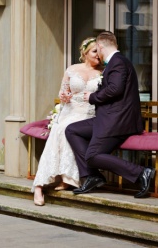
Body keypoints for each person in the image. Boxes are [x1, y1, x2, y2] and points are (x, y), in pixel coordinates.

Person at [65, 31, 155, 198]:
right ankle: (93, 176)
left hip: (117, 121)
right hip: (108, 118)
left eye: (96, 49)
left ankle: (141, 172)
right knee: (72, 130)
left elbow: (115, 89)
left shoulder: (118, 62)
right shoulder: (116, 62)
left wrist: (92, 97)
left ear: (100, 46)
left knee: (93, 155)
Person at [32, 37, 103, 206]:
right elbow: (63, 93)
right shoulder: (72, 69)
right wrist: (63, 96)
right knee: (60, 128)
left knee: (67, 129)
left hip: (89, 114)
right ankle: (39, 185)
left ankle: (67, 178)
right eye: (94, 52)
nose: (98, 56)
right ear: (85, 53)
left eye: (100, 53)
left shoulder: (104, 72)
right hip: (70, 110)